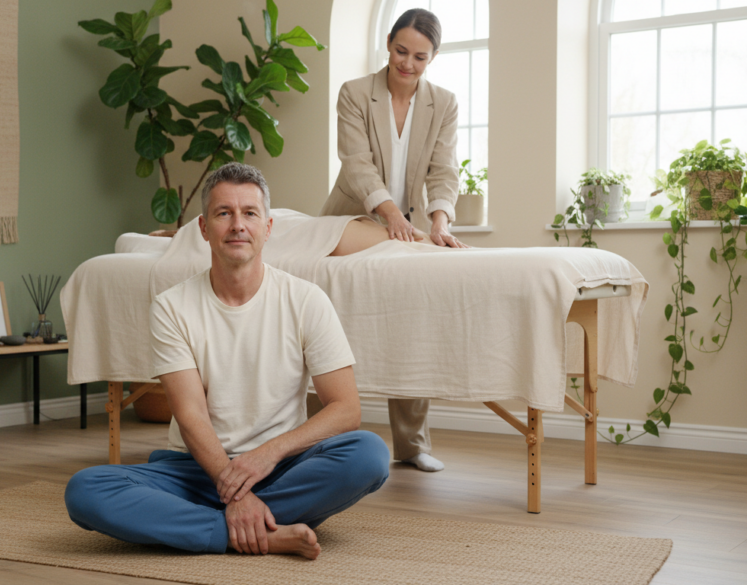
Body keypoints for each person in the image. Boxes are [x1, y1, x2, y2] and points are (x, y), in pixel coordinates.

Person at [65, 163, 390, 559]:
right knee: (85, 490)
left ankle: (209, 526)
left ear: (268, 228)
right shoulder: (172, 307)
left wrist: (265, 455)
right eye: (224, 213)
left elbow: (345, 410)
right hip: (195, 470)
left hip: (279, 467)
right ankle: (259, 531)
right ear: (204, 228)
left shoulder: (307, 300)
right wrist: (230, 485)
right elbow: (190, 415)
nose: (238, 225)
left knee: (368, 453)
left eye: (250, 213)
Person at [320, 8, 464, 473]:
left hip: (407, 229)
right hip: (353, 222)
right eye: (401, 51)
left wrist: (439, 222)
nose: (408, 63)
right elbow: (356, 163)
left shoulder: (443, 103)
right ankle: (316, 439)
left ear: (433, 57)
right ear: (387, 43)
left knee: (411, 323)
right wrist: (388, 215)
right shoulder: (356, 93)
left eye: (420, 57)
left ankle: (412, 444)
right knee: (326, 329)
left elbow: (444, 170)